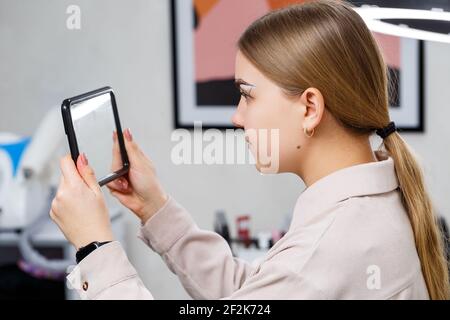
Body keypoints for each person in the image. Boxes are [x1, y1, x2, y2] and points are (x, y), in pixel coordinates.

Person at [50, 0, 449, 299]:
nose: (237, 116)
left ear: (310, 107)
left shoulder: (320, 254)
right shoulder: (380, 204)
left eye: (246, 95)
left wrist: (95, 245)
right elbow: (256, 294)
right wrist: (156, 210)